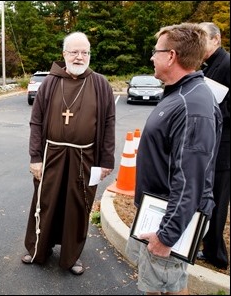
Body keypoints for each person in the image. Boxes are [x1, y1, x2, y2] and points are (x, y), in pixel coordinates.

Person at [125, 23, 222, 295]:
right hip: (158, 211)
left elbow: (190, 180)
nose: (151, 57)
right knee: (161, 284)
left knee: (169, 286)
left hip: (168, 218)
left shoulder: (193, 106)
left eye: (156, 51)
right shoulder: (180, 93)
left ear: (171, 56)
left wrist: (166, 236)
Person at [21, 31, 116, 275]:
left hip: (85, 157)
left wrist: (106, 161)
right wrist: (34, 157)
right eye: (74, 51)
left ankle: (71, 256)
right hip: (50, 155)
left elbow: (108, 123)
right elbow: (36, 122)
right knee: (46, 202)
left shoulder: (100, 84)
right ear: (64, 54)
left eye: (85, 52)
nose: (79, 56)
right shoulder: (51, 82)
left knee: (77, 207)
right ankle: (38, 250)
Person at [197, 22, 230, 270]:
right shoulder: (207, 65)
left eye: (202, 38)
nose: (198, 42)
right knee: (209, 197)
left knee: (218, 200)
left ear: (216, 40)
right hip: (212, 144)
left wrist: (214, 108)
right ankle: (209, 247)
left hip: (225, 149)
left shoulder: (227, 65)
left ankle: (217, 256)